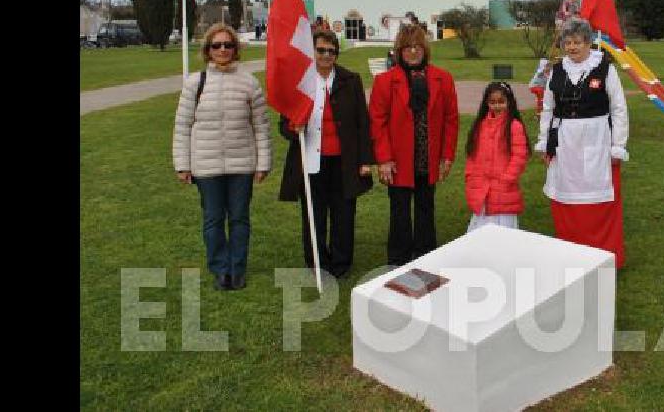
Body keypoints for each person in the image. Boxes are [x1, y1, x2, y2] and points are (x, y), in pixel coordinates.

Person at [172, 23, 272, 290]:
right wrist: (182, 164)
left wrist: (263, 163)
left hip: (242, 165)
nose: (223, 50)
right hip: (206, 166)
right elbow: (182, 126)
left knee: (239, 218)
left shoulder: (250, 82)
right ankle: (220, 268)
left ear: (235, 49)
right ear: (208, 50)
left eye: (228, 45)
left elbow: (261, 126)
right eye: (217, 45)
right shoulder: (195, 83)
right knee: (213, 220)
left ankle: (237, 268)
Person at [278, 30, 375, 279]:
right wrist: (293, 127)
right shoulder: (301, 82)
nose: (326, 55)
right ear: (312, 52)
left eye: (331, 51)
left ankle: (341, 262)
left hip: (344, 161)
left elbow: (362, 122)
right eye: (321, 50)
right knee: (314, 214)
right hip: (311, 160)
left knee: (344, 213)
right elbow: (284, 124)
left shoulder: (350, 80)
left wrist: (365, 160)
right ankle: (318, 263)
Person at [535, 17, 630, 268]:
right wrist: (544, 141)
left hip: (596, 140)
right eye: (568, 42)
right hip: (565, 142)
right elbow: (547, 109)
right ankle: (572, 254)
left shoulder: (605, 69)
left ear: (588, 43)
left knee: (598, 201)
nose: (572, 47)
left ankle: (602, 256)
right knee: (567, 198)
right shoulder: (556, 71)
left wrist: (618, 145)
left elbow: (619, 108)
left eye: (577, 42)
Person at [369, 24, 460, 267]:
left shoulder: (443, 78)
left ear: (425, 49)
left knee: (425, 209)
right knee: (399, 212)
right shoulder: (385, 82)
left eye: (417, 46)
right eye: (407, 47)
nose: (412, 52)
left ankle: (426, 258)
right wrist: (384, 159)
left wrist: (446, 156)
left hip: (427, 157)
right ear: (399, 51)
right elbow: (377, 123)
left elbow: (451, 120)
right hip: (398, 160)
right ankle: (398, 261)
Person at [464, 81, 530, 232]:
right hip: (481, 189)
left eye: (501, 102)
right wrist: (470, 177)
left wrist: (507, 178)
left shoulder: (514, 126)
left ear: (509, 102)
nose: (497, 106)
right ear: (486, 103)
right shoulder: (480, 126)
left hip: (503, 189)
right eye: (492, 102)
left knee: (503, 232)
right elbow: (472, 156)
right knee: (480, 231)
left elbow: (519, 156)